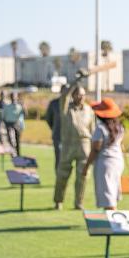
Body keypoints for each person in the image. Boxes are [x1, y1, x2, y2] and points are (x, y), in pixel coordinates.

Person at [53, 70, 95, 210]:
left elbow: (93, 130)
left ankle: (79, 202)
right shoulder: (66, 108)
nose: (81, 97)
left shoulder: (89, 110)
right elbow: (65, 95)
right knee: (62, 174)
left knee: (83, 175)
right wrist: (77, 80)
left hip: (84, 144)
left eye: (83, 95)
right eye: (78, 94)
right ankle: (58, 200)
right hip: (68, 144)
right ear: (73, 95)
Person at [82, 98, 125, 210]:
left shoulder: (100, 128)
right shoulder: (119, 127)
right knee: (112, 192)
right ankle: (111, 214)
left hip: (105, 164)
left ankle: (112, 217)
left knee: (107, 196)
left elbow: (96, 149)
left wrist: (86, 166)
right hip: (118, 162)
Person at [2, 91, 26, 155]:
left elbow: (24, 115)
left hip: (17, 124)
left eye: (15, 96)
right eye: (12, 96)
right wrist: (5, 124)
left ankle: (18, 155)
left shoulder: (20, 106)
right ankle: (13, 154)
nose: (14, 98)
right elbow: (3, 117)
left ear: (17, 97)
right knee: (12, 140)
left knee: (17, 141)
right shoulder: (7, 106)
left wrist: (23, 107)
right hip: (9, 124)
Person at [45, 95, 62, 169]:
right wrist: (54, 128)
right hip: (58, 136)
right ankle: (58, 175)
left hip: (71, 137)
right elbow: (48, 118)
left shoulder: (72, 103)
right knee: (59, 158)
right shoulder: (54, 103)